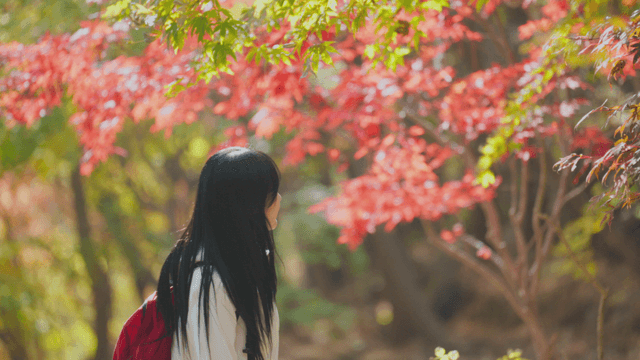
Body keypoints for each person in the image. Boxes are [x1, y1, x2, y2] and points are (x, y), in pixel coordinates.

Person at [156, 146, 282, 360]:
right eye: (271, 193)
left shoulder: (237, 272)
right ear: (249, 205)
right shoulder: (213, 284)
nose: (278, 198)